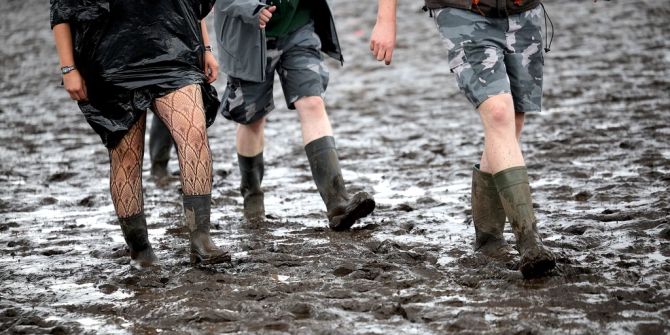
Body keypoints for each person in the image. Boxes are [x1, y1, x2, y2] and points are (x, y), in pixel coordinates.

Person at [370, 0, 557, 278]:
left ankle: (489, 239)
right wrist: (387, 19)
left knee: (512, 120)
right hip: (463, 10)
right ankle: (529, 242)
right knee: (497, 112)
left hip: (521, 11)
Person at [50, 0, 230, 267]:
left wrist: (205, 48)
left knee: (194, 135)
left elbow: (193, 4)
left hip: (175, 48)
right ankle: (140, 250)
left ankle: (201, 241)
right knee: (127, 156)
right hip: (111, 58)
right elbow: (61, 8)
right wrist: (68, 68)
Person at [213, 0, 376, 229]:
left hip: (298, 28)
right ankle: (253, 198)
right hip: (248, 35)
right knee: (252, 121)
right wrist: (250, 8)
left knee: (312, 103)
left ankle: (337, 203)